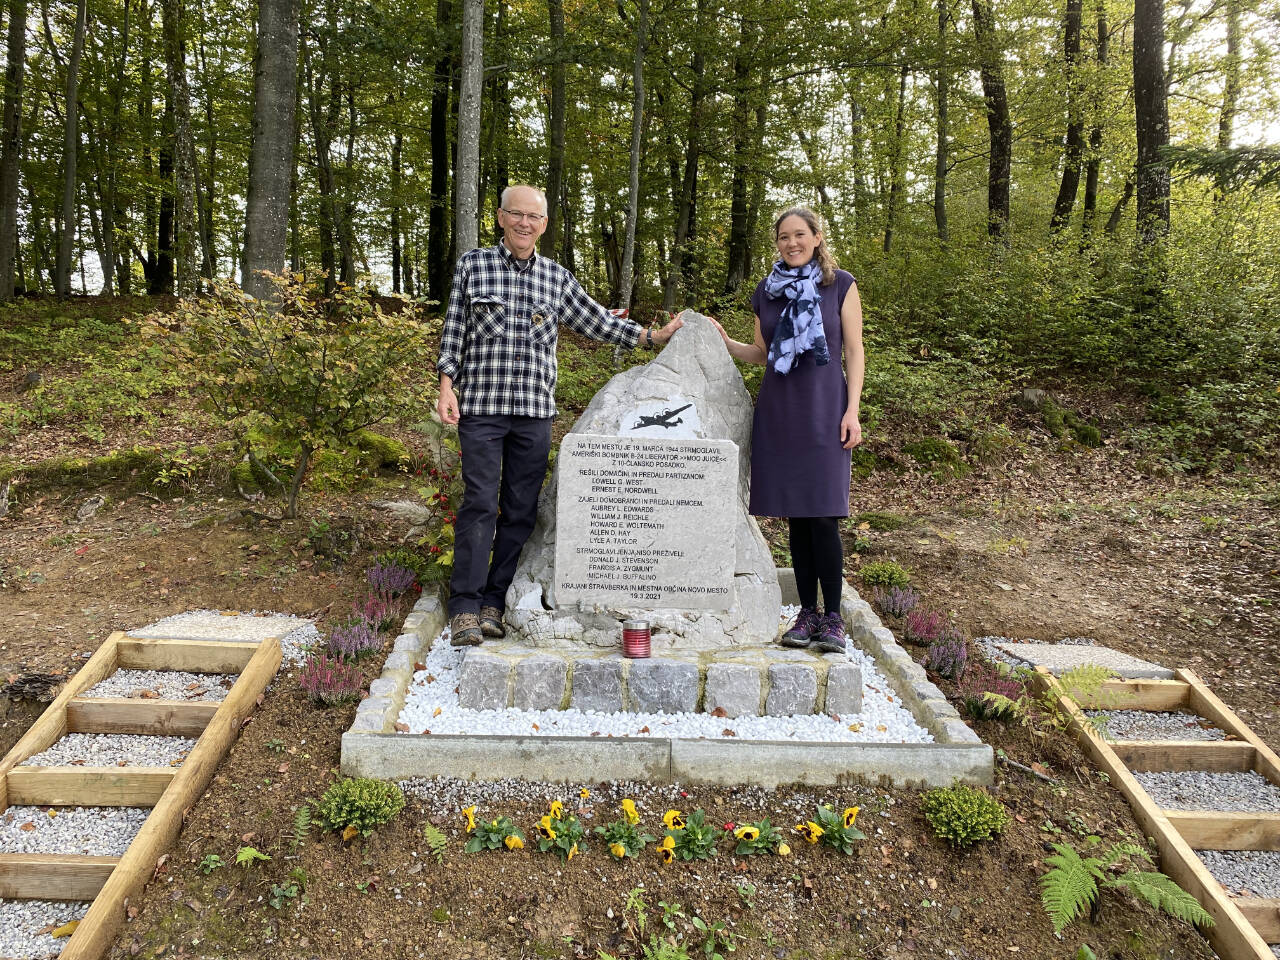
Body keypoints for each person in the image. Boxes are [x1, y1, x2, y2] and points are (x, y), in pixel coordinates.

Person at [436, 184, 683, 646]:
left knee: (520, 511)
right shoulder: (474, 267)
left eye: (534, 217)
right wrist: (446, 387)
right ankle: (465, 607)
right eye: (517, 215)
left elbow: (597, 320)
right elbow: (454, 332)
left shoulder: (556, 277)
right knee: (480, 504)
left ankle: (495, 601)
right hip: (482, 411)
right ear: (500, 217)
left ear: (544, 224)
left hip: (534, 413)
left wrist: (651, 337)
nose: (525, 223)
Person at [710, 206, 864, 653]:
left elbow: (853, 352)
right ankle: (807, 614)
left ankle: (832, 618)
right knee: (797, 518)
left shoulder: (840, 285)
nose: (791, 243)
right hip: (780, 410)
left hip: (825, 408)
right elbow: (762, 352)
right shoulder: (766, 290)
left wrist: (852, 410)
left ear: (817, 237)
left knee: (822, 514)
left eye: (800, 235)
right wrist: (725, 342)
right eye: (783, 237)